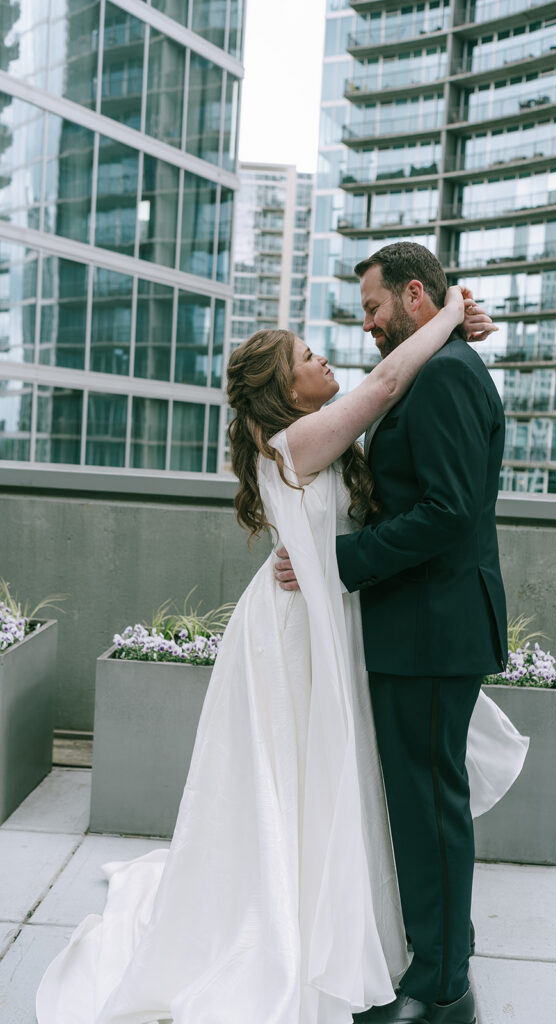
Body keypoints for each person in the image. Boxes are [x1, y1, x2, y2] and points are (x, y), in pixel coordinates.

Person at [36, 286, 527, 1024]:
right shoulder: (298, 442)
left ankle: (372, 924)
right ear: (281, 388)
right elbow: (390, 381)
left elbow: (403, 396)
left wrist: (457, 329)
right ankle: (300, 924)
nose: (323, 352)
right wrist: (455, 314)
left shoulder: (320, 432)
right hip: (295, 633)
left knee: (342, 775)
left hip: (333, 618)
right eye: (305, 355)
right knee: (302, 775)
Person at [275, 242, 517, 1024]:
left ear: (416, 296)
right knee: (417, 805)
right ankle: (433, 958)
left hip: (433, 630)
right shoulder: (436, 363)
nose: (368, 325)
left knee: (428, 806)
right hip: (421, 625)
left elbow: (446, 514)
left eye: (374, 308)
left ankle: (443, 988)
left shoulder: (444, 376)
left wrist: (335, 559)